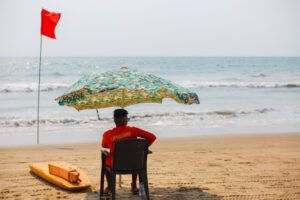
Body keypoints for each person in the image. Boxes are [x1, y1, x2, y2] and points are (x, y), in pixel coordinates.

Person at [101, 109, 156, 194]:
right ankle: (133, 185)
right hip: (135, 164)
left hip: (116, 164)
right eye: (126, 119)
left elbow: (104, 145)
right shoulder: (134, 131)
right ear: (121, 120)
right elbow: (152, 137)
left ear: (115, 120)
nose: (127, 121)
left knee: (105, 158)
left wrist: (113, 142)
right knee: (134, 156)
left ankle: (110, 187)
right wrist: (141, 148)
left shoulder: (107, 134)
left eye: (127, 119)